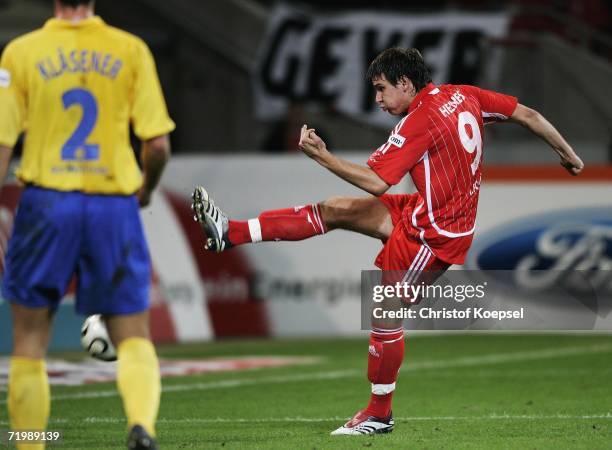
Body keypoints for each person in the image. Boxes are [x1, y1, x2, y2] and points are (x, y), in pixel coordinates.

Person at [191, 47, 583, 435]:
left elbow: (377, 181)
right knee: (337, 208)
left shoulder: (420, 120)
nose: (377, 99)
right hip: (422, 210)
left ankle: (379, 413)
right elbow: (527, 114)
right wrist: (567, 154)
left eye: (381, 89)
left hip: (435, 234)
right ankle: (230, 232)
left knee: (383, 307)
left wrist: (322, 156)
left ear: (406, 83)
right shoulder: (463, 95)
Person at [0, 0, 174, 448]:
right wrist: (147, 190)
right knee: (133, 332)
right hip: (112, 204)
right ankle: (141, 425)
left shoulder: (20, 52)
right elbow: (157, 145)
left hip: (45, 204)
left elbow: (2, 143)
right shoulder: (130, 49)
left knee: (29, 337)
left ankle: (30, 444)